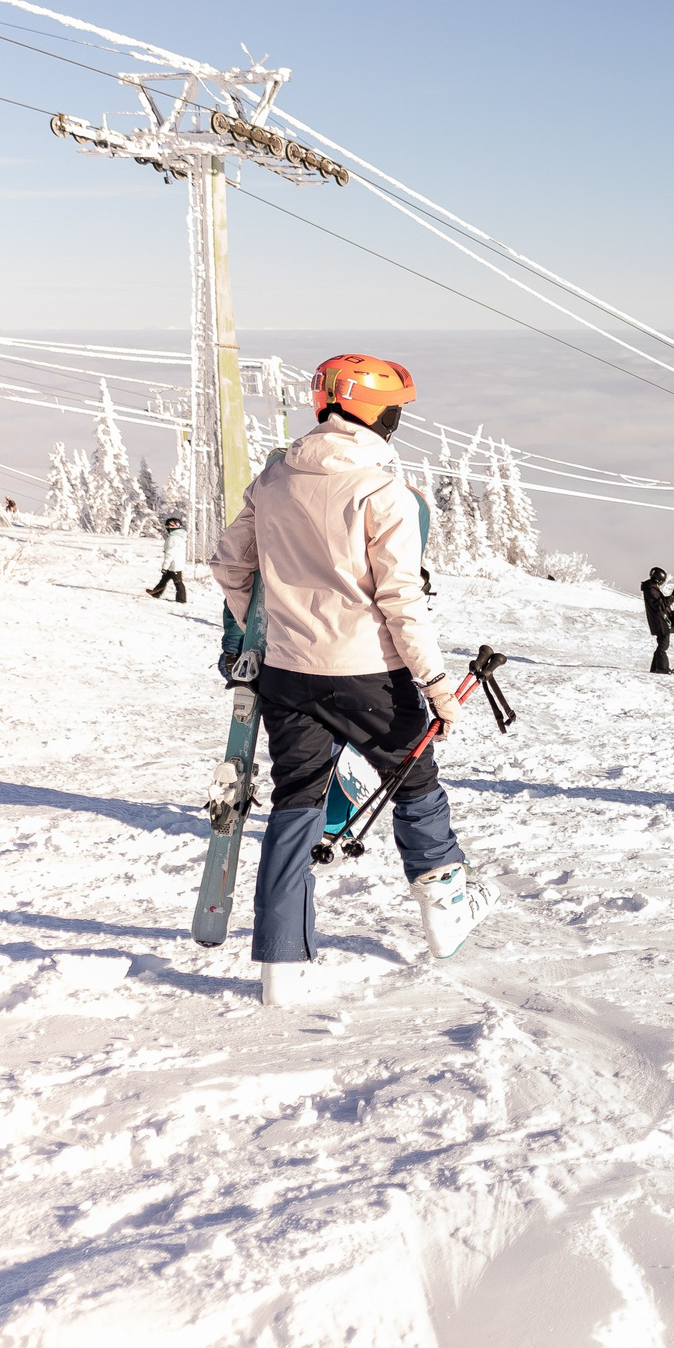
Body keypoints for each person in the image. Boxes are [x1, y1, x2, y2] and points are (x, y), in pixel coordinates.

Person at [210, 352, 494, 1007]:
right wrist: (438, 688)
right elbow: (401, 600)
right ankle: (445, 910)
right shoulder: (381, 489)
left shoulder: (276, 477)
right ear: (375, 414)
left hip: (288, 672)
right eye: (394, 411)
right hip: (369, 672)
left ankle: (281, 969)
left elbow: (230, 563)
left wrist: (258, 625)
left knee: (296, 806)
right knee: (415, 781)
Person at [642, 566, 674, 674]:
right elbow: (659, 605)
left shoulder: (652, 588)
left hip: (661, 621)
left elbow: (661, 602)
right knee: (663, 645)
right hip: (660, 621)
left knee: (662, 644)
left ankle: (655, 668)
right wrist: (672, 597)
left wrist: (672, 596)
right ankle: (662, 668)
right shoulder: (650, 589)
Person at [146, 514, 189, 603]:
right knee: (164, 579)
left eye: (167, 526)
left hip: (174, 565)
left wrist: (165, 566)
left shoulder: (172, 539)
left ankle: (181, 599)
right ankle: (156, 593)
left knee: (178, 582)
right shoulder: (180, 537)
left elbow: (170, 554)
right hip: (175, 563)